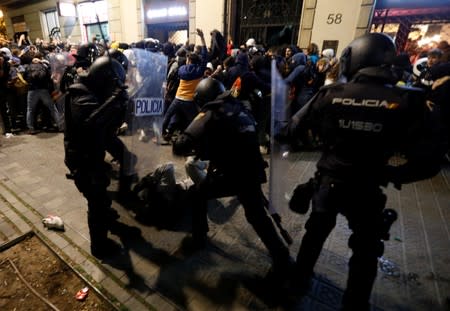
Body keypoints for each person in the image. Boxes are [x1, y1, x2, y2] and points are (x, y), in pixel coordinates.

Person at [282, 33, 446, 310]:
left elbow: (290, 130)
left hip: (329, 182)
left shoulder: (331, 95)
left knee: (315, 235)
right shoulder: (408, 100)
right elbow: (431, 159)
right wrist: (394, 175)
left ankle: (299, 282)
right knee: (365, 252)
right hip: (369, 187)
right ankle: (355, 304)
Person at [172, 77, 293, 279]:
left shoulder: (211, 111)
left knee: (197, 193)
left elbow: (181, 145)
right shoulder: (239, 107)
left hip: (233, 173)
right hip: (251, 170)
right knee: (257, 216)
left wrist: (182, 133)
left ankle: (199, 238)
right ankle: (282, 258)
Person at [63, 56, 129, 259]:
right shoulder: (80, 95)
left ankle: (106, 215)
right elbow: (91, 124)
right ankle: (99, 247)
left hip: (91, 153)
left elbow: (107, 128)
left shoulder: (91, 91)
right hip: (82, 158)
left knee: (100, 190)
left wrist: (119, 105)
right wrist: (114, 101)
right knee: (96, 201)